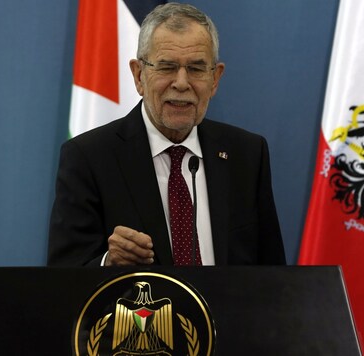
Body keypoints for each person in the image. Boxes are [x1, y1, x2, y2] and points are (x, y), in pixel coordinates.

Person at [47, 3, 285, 266]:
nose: (181, 83)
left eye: (196, 69)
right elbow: (63, 278)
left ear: (215, 79)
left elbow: (274, 276)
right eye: (167, 67)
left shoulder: (247, 154)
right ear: (139, 76)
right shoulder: (89, 158)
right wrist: (107, 263)